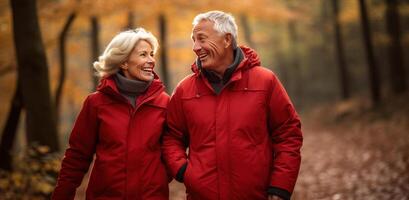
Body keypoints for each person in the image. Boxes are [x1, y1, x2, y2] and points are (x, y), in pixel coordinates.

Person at [162, 11, 303, 200]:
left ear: (227, 39)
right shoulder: (184, 90)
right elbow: (171, 137)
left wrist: (280, 186)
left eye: (202, 39)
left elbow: (288, 135)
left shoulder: (265, 81)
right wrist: (184, 171)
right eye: (193, 40)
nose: (195, 47)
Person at [52, 28, 170, 200]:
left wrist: (157, 180)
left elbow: (173, 149)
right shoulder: (96, 103)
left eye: (152, 54)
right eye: (143, 55)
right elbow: (77, 155)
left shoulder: (164, 103)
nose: (151, 60)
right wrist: (62, 194)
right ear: (123, 62)